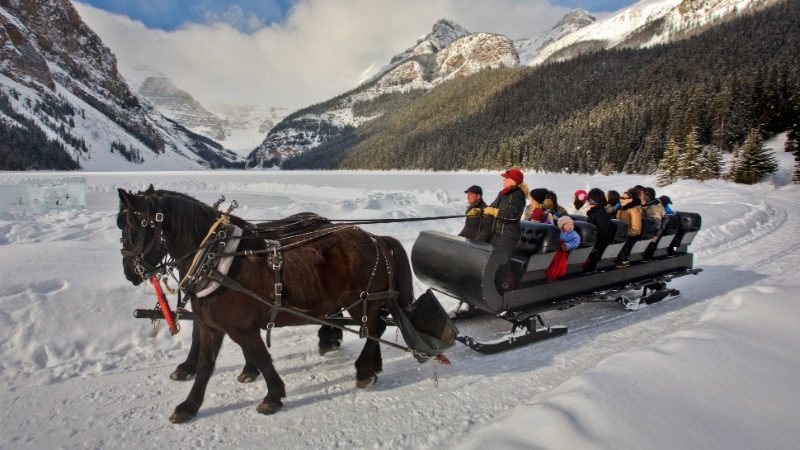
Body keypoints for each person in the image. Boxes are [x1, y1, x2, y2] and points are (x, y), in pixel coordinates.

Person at [482, 168, 527, 288]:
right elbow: (492, 207)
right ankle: (494, 286)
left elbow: (513, 214)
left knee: (503, 263)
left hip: (508, 235)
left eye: (506, 177)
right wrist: (481, 211)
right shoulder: (503, 193)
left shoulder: (518, 195)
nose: (503, 179)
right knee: (493, 262)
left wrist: (494, 211)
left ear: (513, 180)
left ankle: (507, 288)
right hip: (497, 234)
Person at [584, 188, 615, 270]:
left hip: (597, 247)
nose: (588, 202)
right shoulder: (595, 212)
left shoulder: (600, 214)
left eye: (589, 200)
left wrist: (593, 245)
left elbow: (603, 232)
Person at [615, 189, 642, 267]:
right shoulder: (621, 209)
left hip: (631, 235)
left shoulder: (633, 211)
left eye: (624, 198)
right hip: (623, 233)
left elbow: (636, 230)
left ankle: (623, 260)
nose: (621, 199)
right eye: (620, 197)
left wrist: (622, 232)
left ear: (630, 200)